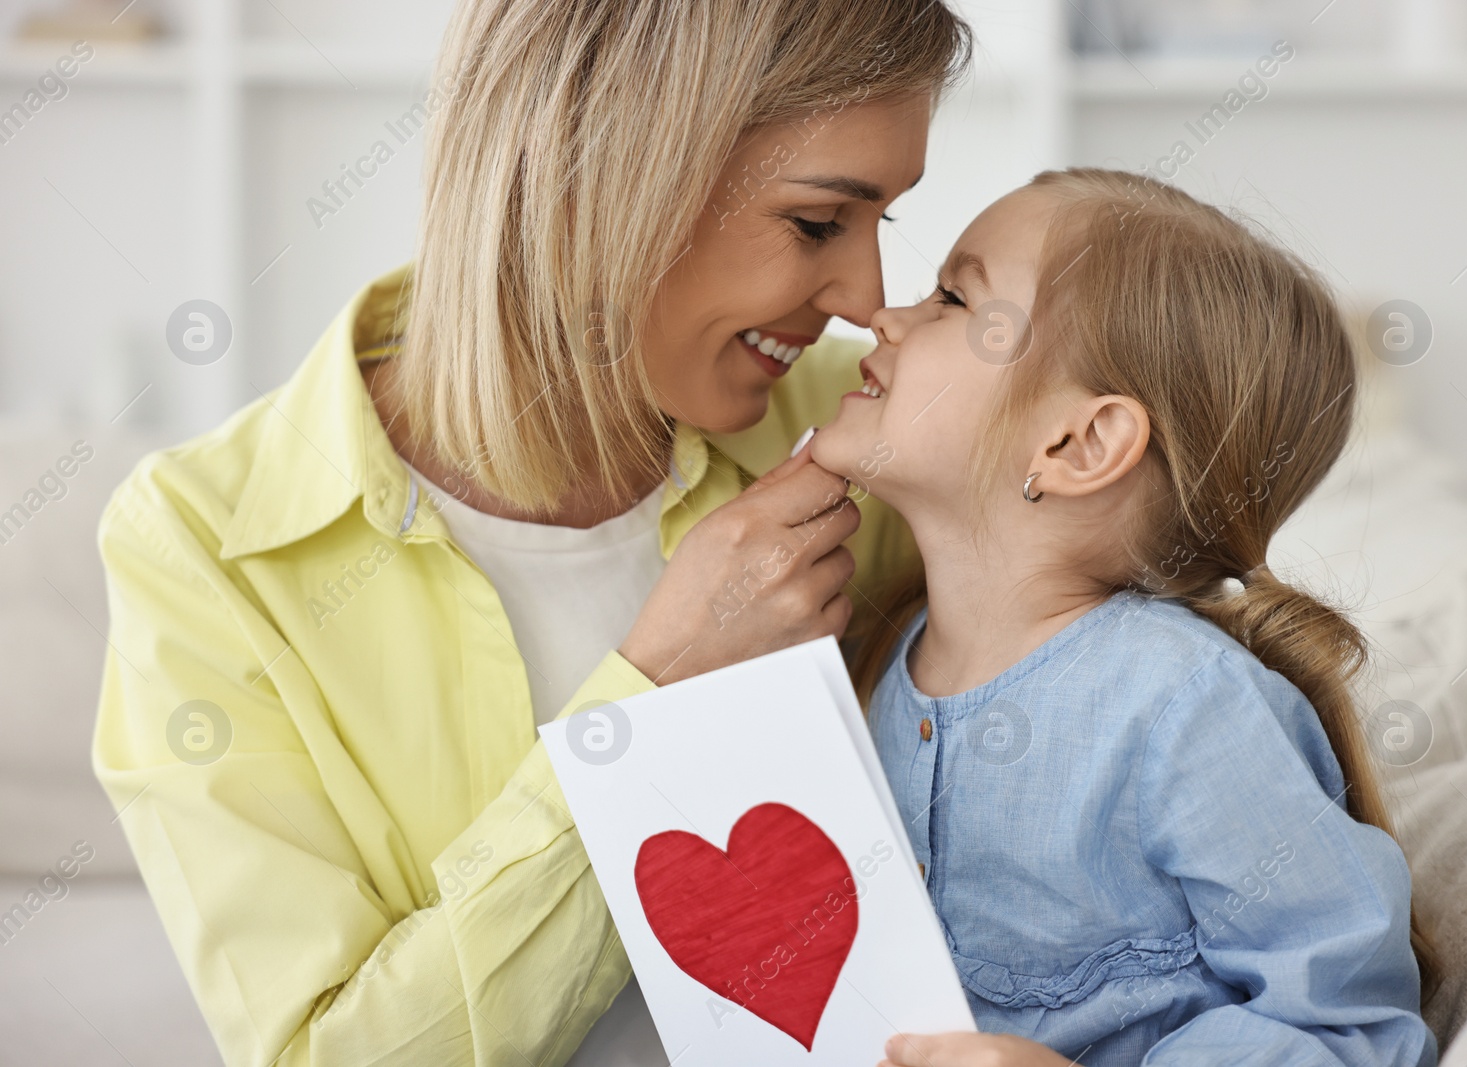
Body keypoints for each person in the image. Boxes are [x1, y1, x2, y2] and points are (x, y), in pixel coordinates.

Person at [90, 2, 970, 1063]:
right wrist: (652, 696)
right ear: (595, 175)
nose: (865, 298)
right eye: (818, 223)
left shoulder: (868, 434)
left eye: (886, 222)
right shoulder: (200, 545)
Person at [809, 168, 1441, 1067]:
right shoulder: (880, 658)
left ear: (1080, 443)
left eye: (953, 296)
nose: (885, 317)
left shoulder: (1184, 707)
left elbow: (1351, 1030)